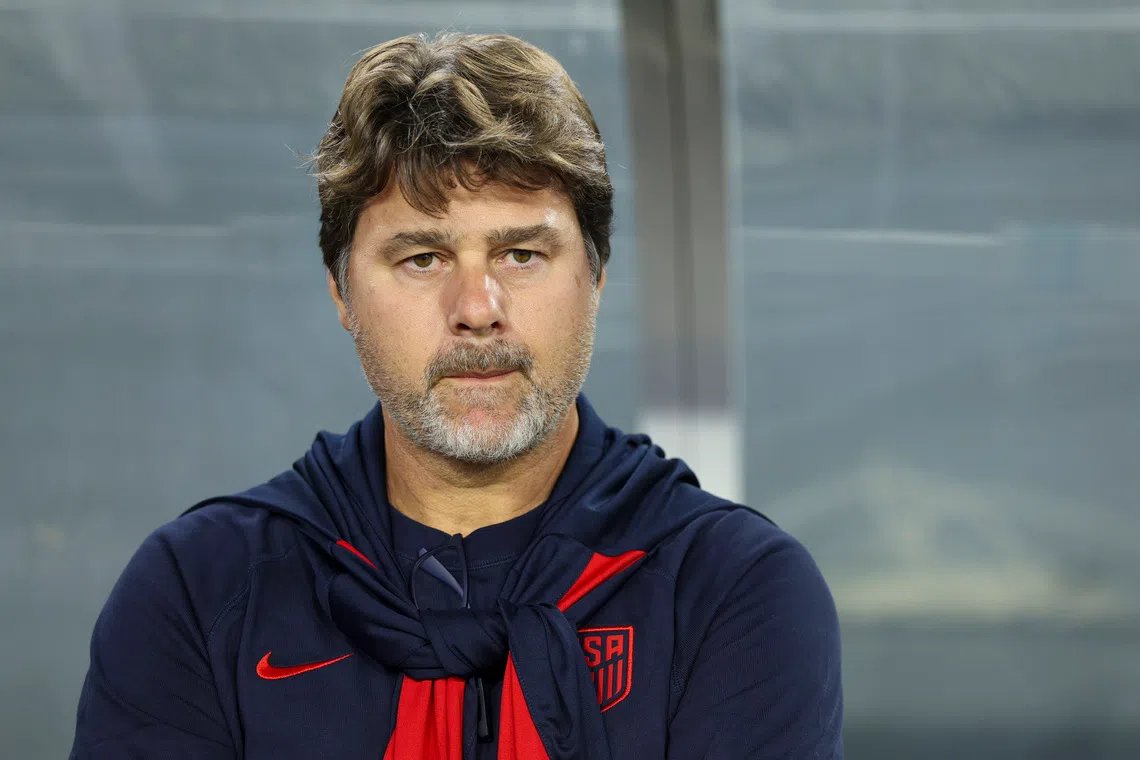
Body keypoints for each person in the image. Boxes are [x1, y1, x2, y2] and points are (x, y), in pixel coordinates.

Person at [69, 32, 842, 759]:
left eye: (523, 253)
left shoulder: (736, 592)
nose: (478, 306)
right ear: (342, 294)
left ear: (596, 276)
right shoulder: (198, 591)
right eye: (423, 258)